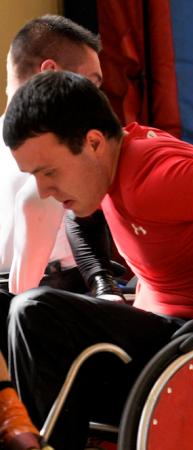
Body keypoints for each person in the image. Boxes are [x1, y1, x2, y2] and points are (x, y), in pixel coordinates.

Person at [3, 71, 193, 449]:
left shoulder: (152, 176)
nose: (44, 190)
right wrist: (103, 284)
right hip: (167, 341)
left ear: (94, 142)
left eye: (49, 172)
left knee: (34, 312)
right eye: (35, 176)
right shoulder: (107, 167)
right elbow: (79, 218)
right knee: (9, 309)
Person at [1, 15, 103, 298]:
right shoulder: (72, 148)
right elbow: (35, 203)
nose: (96, 100)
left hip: (59, 294)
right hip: (41, 299)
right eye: (91, 84)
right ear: (50, 73)